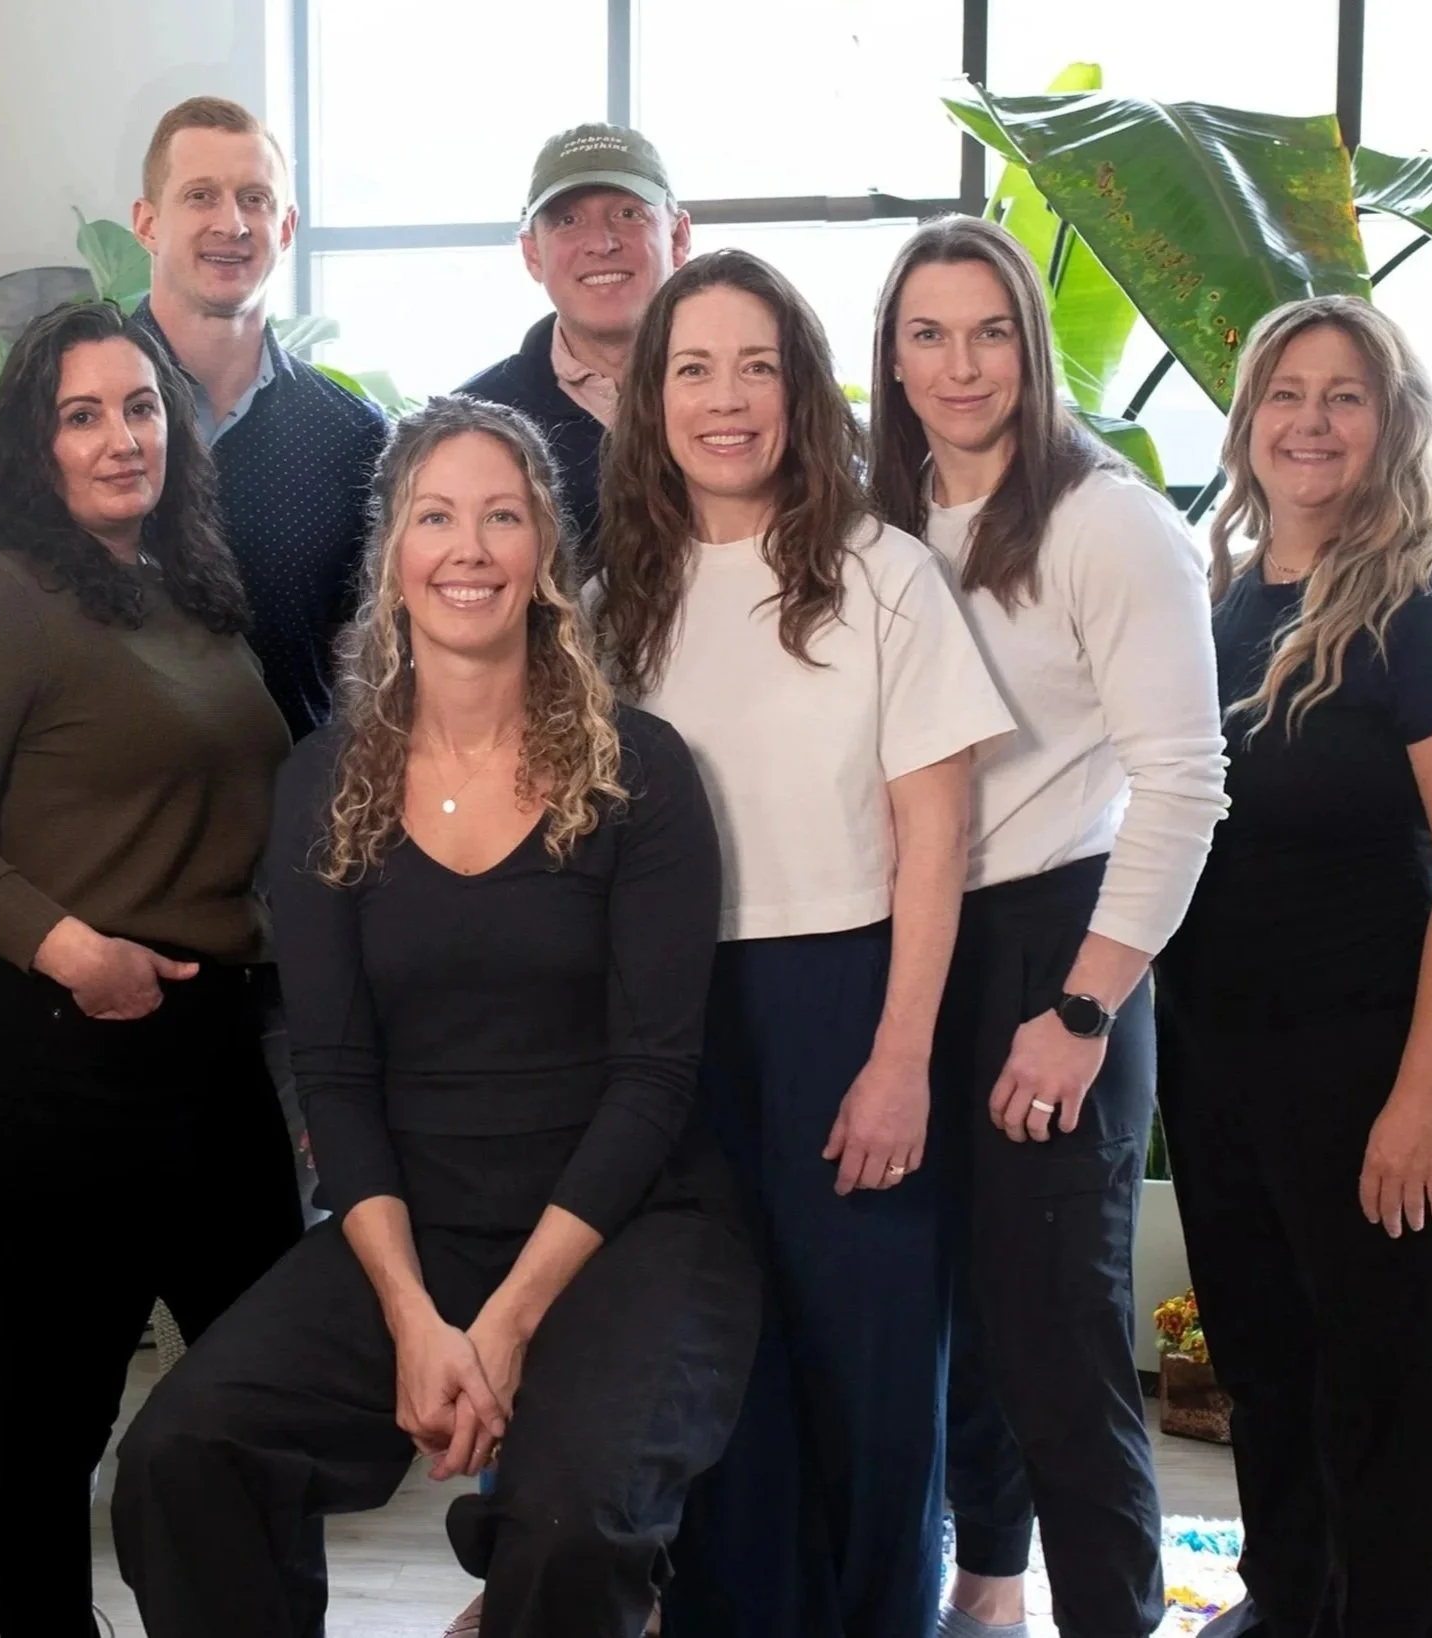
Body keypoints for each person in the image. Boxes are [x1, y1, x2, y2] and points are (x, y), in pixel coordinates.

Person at [110, 395, 762, 1638]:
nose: (468, 548)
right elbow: (337, 1076)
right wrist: (417, 1320)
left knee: (570, 1525)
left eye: (501, 517)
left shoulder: (642, 770)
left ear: (544, 558)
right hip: (421, 1223)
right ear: (393, 557)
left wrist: (503, 1325)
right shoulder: (324, 782)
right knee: (182, 1456)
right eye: (437, 516)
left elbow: (653, 1078)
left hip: (632, 1227)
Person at [597, 248, 1015, 1638]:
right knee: (722, 1363)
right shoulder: (613, 604)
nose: (726, 399)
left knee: (872, 1355)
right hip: (672, 1020)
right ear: (652, 394)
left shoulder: (876, 570)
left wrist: (900, 1057)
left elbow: (933, 841)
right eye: (693, 367)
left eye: (757, 365)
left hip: (850, 997)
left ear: (802, 387)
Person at [0, 301, 303, 1633]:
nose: (119, 438)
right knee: (56, 1422)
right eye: (82, 414)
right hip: (68, 1055)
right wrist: (76, 952)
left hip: (214, 1055)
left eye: (138, 407)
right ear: (36, 442)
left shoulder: (195, 585)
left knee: (264, 1403)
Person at [866, 215, 1229, 1638]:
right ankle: (987, 1581)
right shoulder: (878, 518)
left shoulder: (1105, 518)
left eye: (988, 330)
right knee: (954, 1304)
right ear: (888, 360)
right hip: (915, 943)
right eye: (925, 334)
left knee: (1057, 1343)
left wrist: (1080, 1009)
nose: (960, 365)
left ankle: (1109, 1616)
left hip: (1059, 944)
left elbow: (1185, 783)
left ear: (1029, 343)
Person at [1153, 296, 1432, 1638]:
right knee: (1262, 1359)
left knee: (1385, 1378)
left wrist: (1420, 1099)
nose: (1307, 422)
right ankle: (1286, 1600)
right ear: (1246, 422)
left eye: (1342, 396)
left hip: (1372, 1054)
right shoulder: (1214, 603)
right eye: (1282, 394)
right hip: (1215, 1058)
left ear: (1390, 426)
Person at [0, 95, 385, 741]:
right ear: (147, 224)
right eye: (201, 196)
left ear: (287, 227)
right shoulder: (51, 402)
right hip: (101, 815)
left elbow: (365, 652)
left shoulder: (351, 434)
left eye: (255, 199)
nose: (231, 224)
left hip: (295, 815)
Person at [458, 122, 692, 555]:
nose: (601, 244)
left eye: (627, 214)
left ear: (678, 238)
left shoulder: (745, 404)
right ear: (533, 254)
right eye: (567, 220)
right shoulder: (472, 424)